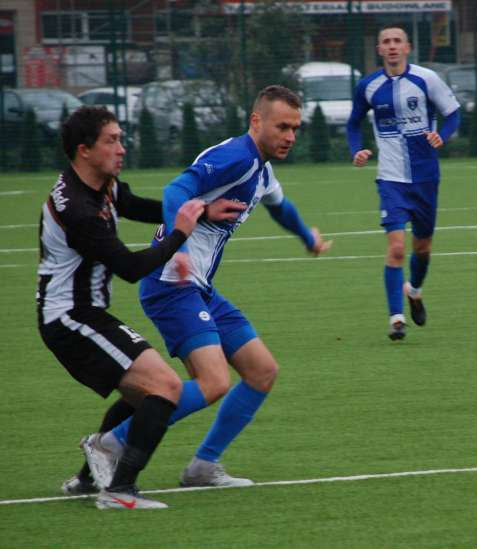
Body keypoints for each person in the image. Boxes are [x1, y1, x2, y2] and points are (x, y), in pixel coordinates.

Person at [80, 85, 331, 490]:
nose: (290, 136)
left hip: (200, 288)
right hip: (171, 283)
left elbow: (281, 207)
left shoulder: (262, 170)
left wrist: (308, 238)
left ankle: (202, 467)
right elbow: (178, 189)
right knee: (214, 382)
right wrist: (173, 244)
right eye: (282, 126)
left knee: (262, 371)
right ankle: (109, 445)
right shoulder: (235, 157)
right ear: (256, 121)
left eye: (295, 128)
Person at [38, 106, 237, 509]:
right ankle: (120, 489)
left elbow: (134, 204)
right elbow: (130, 268)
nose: (121, 148)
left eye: (121, 138)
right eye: (111, 141)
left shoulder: (102, 184)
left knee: (141, 390)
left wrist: (199, 212)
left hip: (84, 314)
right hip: (70, 319)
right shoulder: (78, 207)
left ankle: (89, 479)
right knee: (163, 386)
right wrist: (179, 234)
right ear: (84, 150)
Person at [346, 26, 461, 340]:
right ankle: (396, 318)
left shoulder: (426, 79)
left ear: (408, 47)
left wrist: (443, 135)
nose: (392, 46)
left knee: (422, 249)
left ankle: (416, 291)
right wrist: (357, 150)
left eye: (397, 41)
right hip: (390, 179)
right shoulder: (368, 86)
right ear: (380, 50)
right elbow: (353, 123)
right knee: (396, 249)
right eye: (386, 42)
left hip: (425, 179)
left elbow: (452, 114)